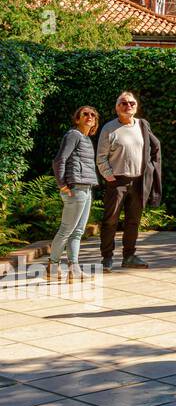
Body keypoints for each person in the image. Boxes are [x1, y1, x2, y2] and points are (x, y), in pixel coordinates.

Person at [96, 91, 162, 271]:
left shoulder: (142, 125)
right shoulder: (109, 128)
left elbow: (155, 147)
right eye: (123, 103)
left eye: (132, 103)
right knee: (110, 221)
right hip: (116, 181)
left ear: (136, 106)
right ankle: (107, 257)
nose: (128, 106)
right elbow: (101, 157)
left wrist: (149, 169)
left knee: (133, 221)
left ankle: (129, 256)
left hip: (139, 181)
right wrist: (110, 177)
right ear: (117, 108)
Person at [50, 106, 100, 278]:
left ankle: (74, 269)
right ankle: (52, 266)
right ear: (77, 119)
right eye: (85, 114)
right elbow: (59, 160)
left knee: (78, 231)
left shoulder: (86, 139)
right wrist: (62, 185)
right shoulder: (73, 135)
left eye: (93, 115)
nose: (89, 117)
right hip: (75, 188)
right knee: (66, 229)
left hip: (87, 188)